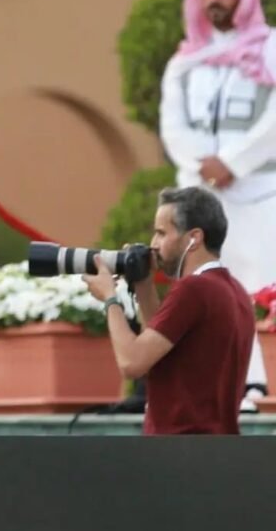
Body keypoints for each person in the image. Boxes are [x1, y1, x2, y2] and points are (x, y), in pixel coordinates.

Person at [159, 0, 276, 408]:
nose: (214, 2)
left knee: (258, 287)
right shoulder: (185, 60)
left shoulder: (269, 49)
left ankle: (256, 385)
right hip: (200, 196)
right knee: (202, 291)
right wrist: (204, 166)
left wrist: (233, 162)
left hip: (259, 194)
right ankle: (208, 384)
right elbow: (173, 126)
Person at [82, 186, 255, 435]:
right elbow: (159, 352)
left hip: (177, 451)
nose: (153, 244)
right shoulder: (233, 290)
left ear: (194, 238)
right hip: (217, 449)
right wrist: (143, 283)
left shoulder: (194, 289)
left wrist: (110, 298)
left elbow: (132, 363)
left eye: (162, 233)